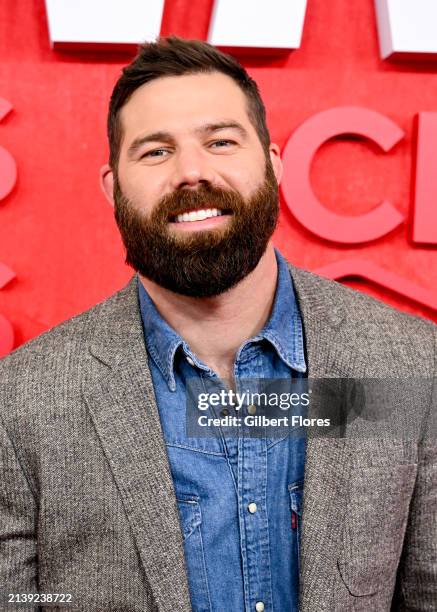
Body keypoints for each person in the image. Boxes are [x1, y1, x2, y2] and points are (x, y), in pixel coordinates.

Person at [0, 36, 436, 612]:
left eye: (221, 141)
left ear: (273, 164)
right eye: (155, 151)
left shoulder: (407, 365)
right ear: (113, 188)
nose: (192, 172)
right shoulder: (21, 399)